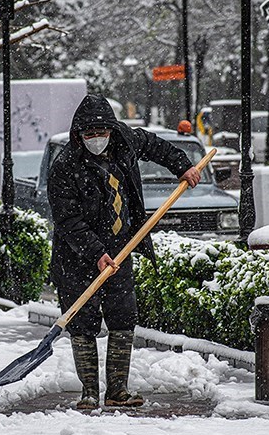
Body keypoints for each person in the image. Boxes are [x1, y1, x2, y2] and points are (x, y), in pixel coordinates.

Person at [47, 94, 201, 410]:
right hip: (77, 255)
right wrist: (95, 252)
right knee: (83, 319)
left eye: (101, 132)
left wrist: (183, 166)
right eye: (89, 134)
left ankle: (118, 390)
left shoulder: (126, 141)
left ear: (112, 130)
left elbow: (159, 147)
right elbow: (67, 219)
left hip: (121, 248)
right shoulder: (64, 166)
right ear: (79, 134)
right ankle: (89, 391)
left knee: (123, 316)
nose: (96, 139)